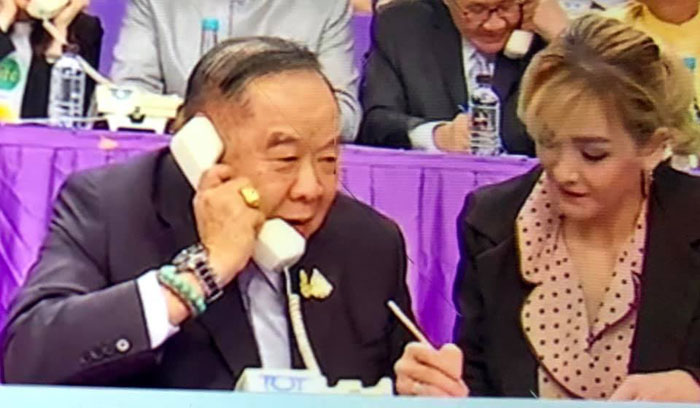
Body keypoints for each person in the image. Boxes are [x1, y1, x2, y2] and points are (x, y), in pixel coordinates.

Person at [1, 37, 412, 388]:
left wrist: (421, 389)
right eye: (285, 159)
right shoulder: (112, 209)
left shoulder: (368, 243)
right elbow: (26, 360)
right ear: (204, 148)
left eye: (328, 159)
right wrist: (202, 273)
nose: (311, 189)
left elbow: (395, 378)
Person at [393, 15, 700, 401]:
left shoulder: (692, 219)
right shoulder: (492, 223)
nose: (563, 172)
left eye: (593, 154)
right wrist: (440, 389)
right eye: (548, 142)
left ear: (653, 146)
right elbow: (476, 380)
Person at [110, 0, 361, 142]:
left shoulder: (325, 7)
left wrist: (250, 123)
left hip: (278, 172)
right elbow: (127, 96)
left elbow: (344, 118)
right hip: (179, 162)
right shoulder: (156, 3)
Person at [357, 0, 564, 154]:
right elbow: (375, 122)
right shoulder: (401, 24)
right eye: (476, 10)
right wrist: (437, 136)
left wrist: (564, 38)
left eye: (506, 7)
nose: (494, 25)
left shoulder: (551, 40)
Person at [0, 0, 101, 120]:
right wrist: (4, 19)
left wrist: (59, 32)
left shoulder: (83, 30)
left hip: (25, 131)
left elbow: (61, 117)